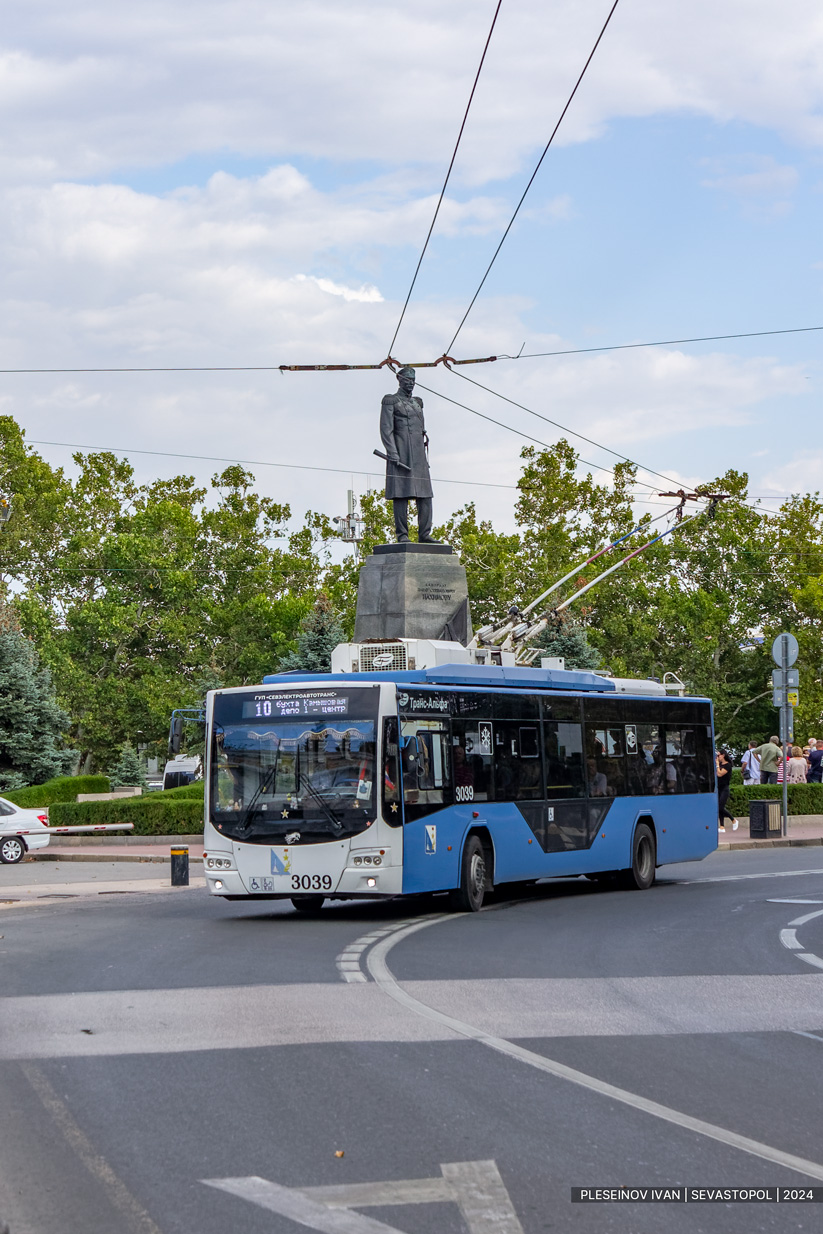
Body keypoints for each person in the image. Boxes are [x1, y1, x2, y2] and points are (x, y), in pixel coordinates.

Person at [380, 366, 437, 543]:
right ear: (399, 379)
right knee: (401, 494)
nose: (411, 383)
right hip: (401, 451)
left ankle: (425, 534)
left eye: (413, 380)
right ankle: (402, 535)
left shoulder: (418, 402)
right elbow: (386, 429)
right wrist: (393, 452)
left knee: (425, 495)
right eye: (407, 380)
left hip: (419, 454)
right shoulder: (391, 401)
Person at [715, 749, 738, 832]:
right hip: (719, 788)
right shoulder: (720, 764)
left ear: (723, 755)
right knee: (719, 807)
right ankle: (722, 826)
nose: (718, 757)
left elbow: (720, 774)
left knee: (721, 807)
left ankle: (733, 820)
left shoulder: (727, 765)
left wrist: (717, 765)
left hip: (725, 788)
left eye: (718, 755)